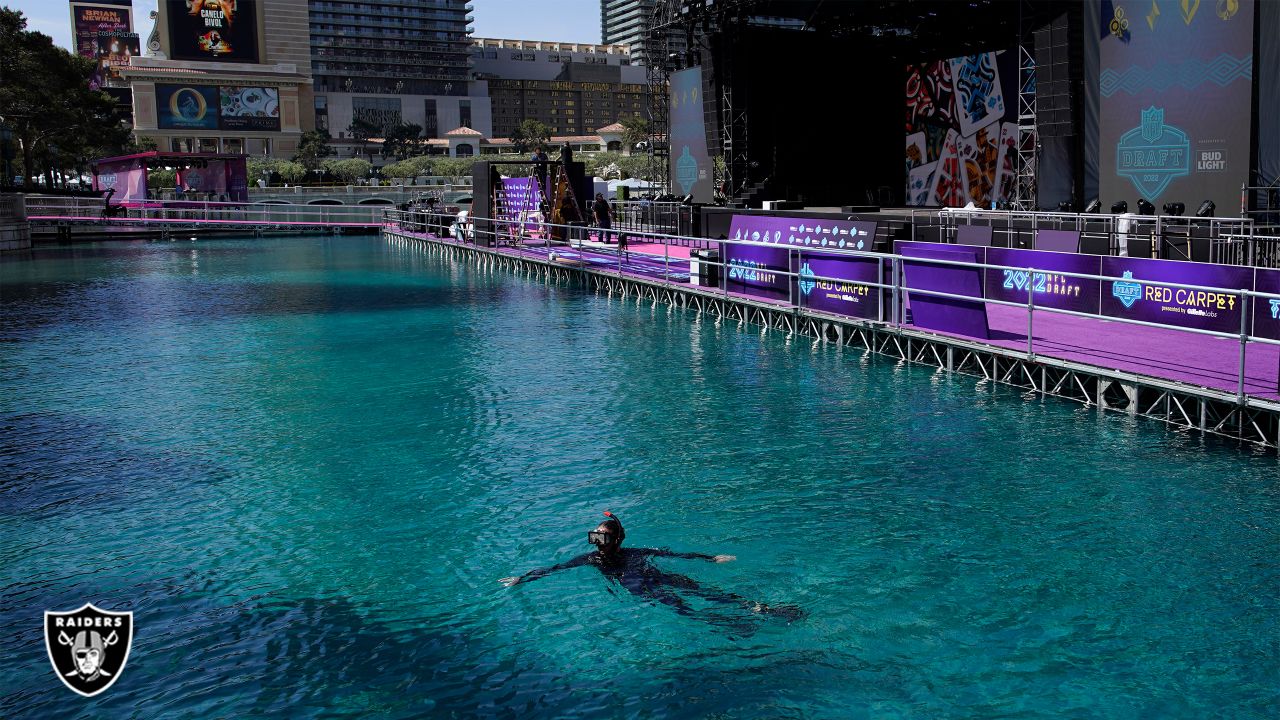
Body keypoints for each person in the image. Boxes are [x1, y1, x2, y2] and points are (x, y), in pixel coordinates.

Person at [500, 512, 803, 630]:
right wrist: (522, 578)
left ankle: (759, 609)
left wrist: (709, 558)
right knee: (683, 607)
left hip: (651, 580)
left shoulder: (633, 551)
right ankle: (733, 622)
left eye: (602, 537)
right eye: (593, 537)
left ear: (616, 540)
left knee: (705, 592)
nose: (596, 543)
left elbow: (671, 554)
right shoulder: (590, 559)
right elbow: (553, 568)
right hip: (644, 586)